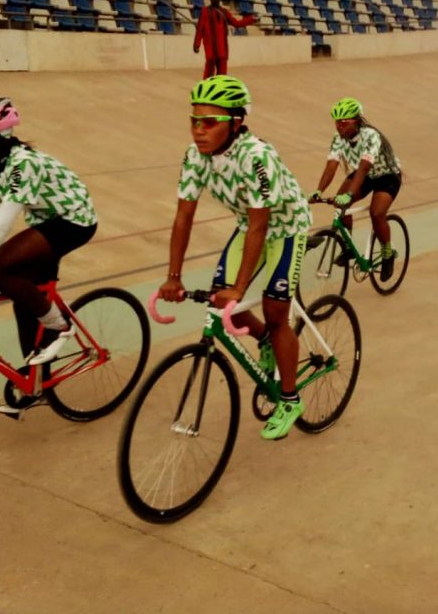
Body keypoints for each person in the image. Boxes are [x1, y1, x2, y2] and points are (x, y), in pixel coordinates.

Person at [158, 75, 311, 441]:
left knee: (275, 311)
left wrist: (241, 287)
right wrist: (173, 276)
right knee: (222, 304)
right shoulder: (195, 155)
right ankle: (265, 341)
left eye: (209, 122)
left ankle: (289, 399)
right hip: (249, 225)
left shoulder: (256, 156)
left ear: (236, 123)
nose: (198, 130)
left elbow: (262, 226)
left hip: (286, 227)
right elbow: (183, 216)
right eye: (194, 120)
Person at [0, 97, 98, 411]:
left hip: (73, 220)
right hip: (44, 219)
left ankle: (60, 326)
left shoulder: (23, 163)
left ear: (3, 138)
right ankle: (34, 384)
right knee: (25, 296)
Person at [309, 97, 402, 282]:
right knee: (340, 202)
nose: (339, 126)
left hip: (386, 176)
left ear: (356, 121)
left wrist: (350, 194)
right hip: (365, 176)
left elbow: (364, 166)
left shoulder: (371, 136)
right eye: (337, 121)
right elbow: (331, 166)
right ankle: (349, 247)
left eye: (344, 122)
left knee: (376, 213)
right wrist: (318, 190)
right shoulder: (338, 139)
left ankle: (387, 253)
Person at [192, 0, 256, 79]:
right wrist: (196, 44)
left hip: (222, 51)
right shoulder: (205, 11)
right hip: (211, 50)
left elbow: (236, 23)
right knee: (208, 76)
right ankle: (206, 91)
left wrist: (251, 19)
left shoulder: (224, 12)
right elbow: (200, 30)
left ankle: (219, 92)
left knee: (221, 78)